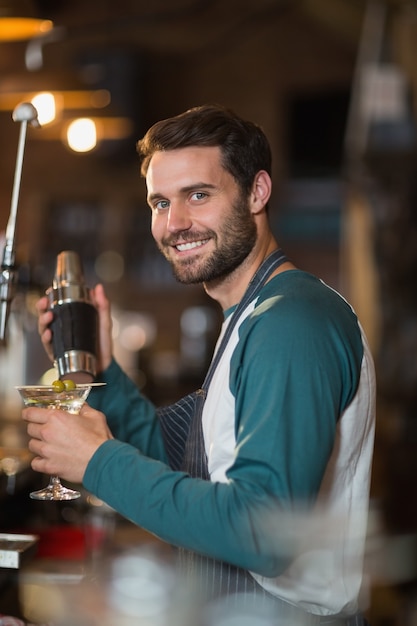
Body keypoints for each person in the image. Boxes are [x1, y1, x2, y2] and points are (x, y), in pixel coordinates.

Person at [24, 104, 375, 625]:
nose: (175, 223)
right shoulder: (250, 317)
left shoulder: (291, 323)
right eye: (160, 202)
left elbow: (264, 529)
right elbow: (182, 460)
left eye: (198, 195)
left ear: (257, 192)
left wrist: (97, 463)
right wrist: (95, 369)